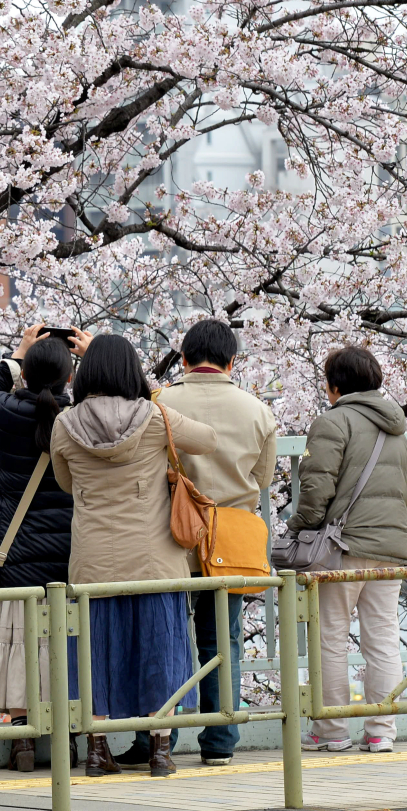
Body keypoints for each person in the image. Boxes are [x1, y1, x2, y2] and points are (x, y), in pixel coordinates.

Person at [50, 334, 215, 778]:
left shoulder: (65, 424)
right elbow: (207, 440)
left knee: (95, 652)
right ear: (132, 372)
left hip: (93, 560)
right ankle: (160, 750)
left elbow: (65, 483)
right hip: (152, 559)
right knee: (160, 648)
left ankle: (97, 749)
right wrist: (154, 395)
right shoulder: (156, 416)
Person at [132, 318, 280, 768]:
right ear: (232, 361)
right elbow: (265, 477)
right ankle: (220, 742)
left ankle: (157, 741)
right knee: (223, 641)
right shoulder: (257, 409)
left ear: (184, 359)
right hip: (230, 537)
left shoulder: (161, 403)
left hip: (172, 534)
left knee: (165, 639)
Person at [290, 346, 407, 754]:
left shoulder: (332, 422)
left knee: (330, 639)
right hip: (391, 549)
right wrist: (399, 535)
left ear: (335, 386)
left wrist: (298, 530)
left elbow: (316, 490)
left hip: (342, 548)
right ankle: (381, 731)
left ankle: (332, 733)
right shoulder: (396, 428)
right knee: (382, 639)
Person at [0, 326, 84, 772]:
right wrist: (90, 356)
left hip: (16, 556)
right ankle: (70, 737)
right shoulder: (80, 418)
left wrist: (17, 353)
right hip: (71, 555)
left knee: (20, 645)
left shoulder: (4, 412)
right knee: (70, 643)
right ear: (69, 378)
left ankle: (20, 737)